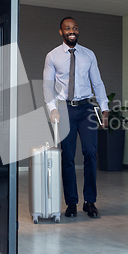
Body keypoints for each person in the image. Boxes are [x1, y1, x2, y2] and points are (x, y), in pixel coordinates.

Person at [43, 17, 109, 219]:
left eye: (75, 28)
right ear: (61, 32)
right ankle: (71, 202)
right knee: (68, 157)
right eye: (67, 28)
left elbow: (97, 83)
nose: (72, 31)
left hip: (86, 108)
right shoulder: (53, 56)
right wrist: (52, 108)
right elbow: (47, 86)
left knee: (90, 153)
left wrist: (104, 108)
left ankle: (90, 202)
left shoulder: (89, 55)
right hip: (64, 109)